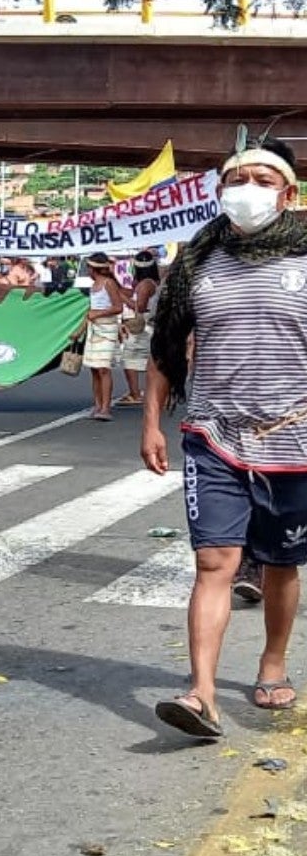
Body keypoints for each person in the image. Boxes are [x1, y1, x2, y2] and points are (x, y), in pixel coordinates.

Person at [143, 137, 307, 738]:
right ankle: (202, 692)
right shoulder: (197, 263)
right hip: (213, 434)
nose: (250, 191)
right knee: (214, 560)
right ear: (220, 191)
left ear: (288, 193)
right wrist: (152, 420)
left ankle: (272, 661)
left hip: (296, 443)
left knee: (282, 566)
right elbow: (165, 346)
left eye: (265, 180)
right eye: (239, 179)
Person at [80, 251, 125, 421]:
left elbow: (117, 307)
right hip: (94, 329)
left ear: (94, 269)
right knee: (94, 368)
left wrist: (97, 314)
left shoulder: (109, 284)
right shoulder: (93, 286)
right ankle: (98, 404)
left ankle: (105, 407)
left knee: (103, 369)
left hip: (107, 328)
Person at [115, 249, 159, 407]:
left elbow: (139, 307)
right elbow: (131, 292)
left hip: (142, 324)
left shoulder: (145, 285)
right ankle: (143, 392)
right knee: (147, 359)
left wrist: (123, 298)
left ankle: (135, 393)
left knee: (130, 359)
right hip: (148, 323)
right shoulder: (148, 283)